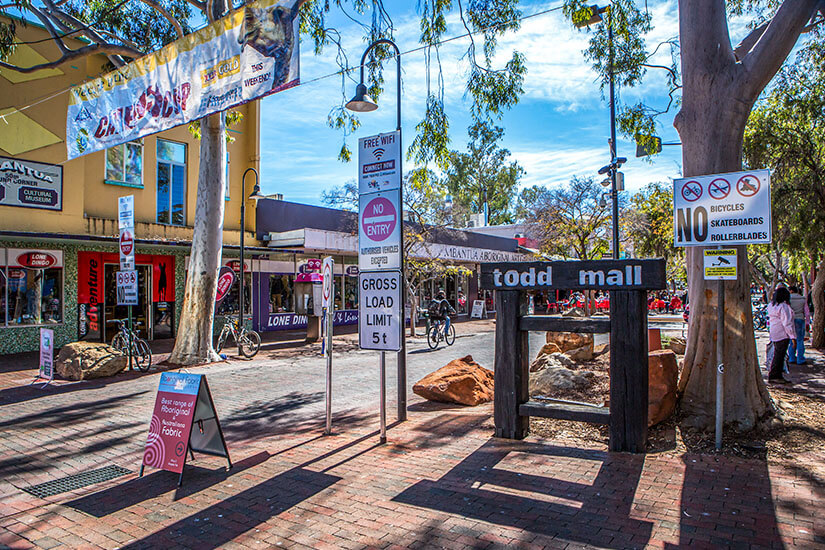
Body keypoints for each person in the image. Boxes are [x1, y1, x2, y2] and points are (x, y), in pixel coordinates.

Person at [767, 286, 796, 384]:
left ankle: (776, 374)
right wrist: (792, 337)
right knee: (779, 355)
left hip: (774, 333)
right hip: (782, 334)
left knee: (778, 354)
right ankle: (774, 375)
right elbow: (787, 323)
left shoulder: (771, 305)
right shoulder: (783, 307)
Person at [787, 285, 810, 365]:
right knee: (800, 340)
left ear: (791, 291)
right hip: (800, 319)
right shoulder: (802, 299)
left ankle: (791, 358)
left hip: (791, 320)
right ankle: (800, 359)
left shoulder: (788, 299)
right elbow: (807, 312)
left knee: (791, 340)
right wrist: (807, 323)